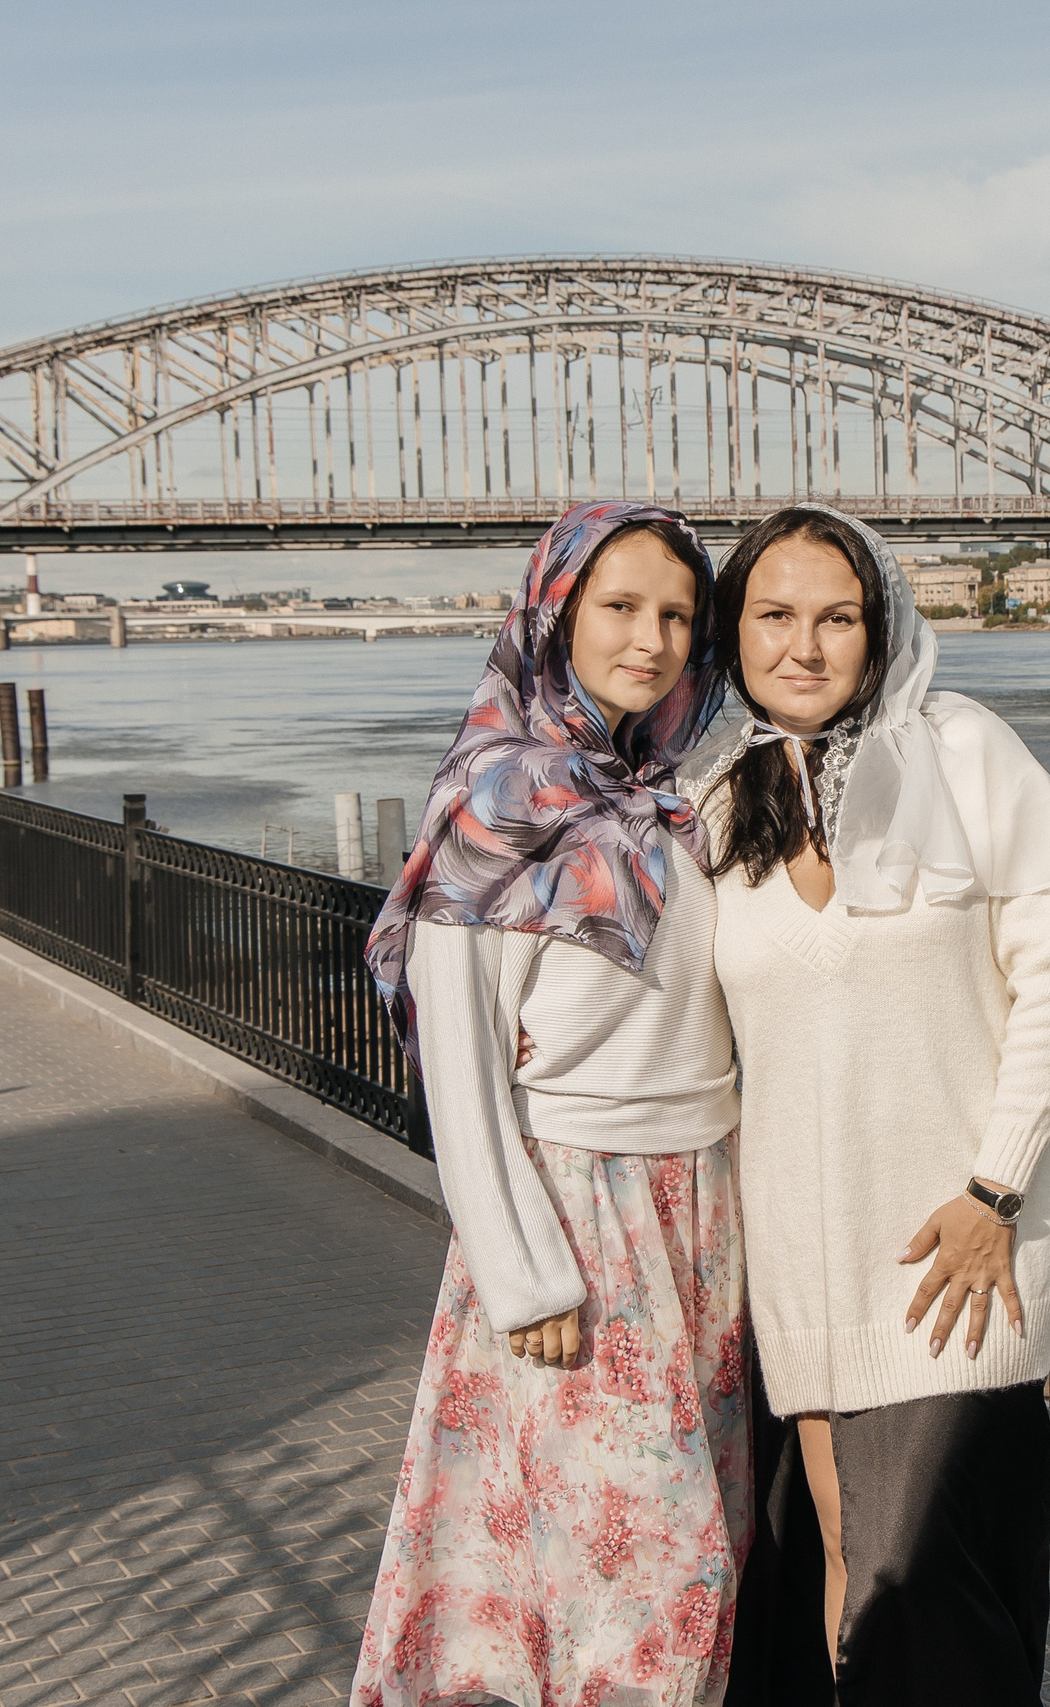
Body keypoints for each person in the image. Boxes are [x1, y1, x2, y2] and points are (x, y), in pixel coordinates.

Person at [351, 501, 750, 1707]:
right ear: (554, 613)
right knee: (666, 1572)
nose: (654, 638)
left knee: (591, 1564)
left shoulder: (673, 793)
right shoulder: (498, 799)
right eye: (620, 607)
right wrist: (524, 1276)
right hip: (579, 1212)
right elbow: (459, 1058)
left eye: (678, 613)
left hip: (708, 1213)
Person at [699, 505, 1050, 1704]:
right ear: (737, 632)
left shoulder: (967, 750)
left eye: (837, 618)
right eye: (773, 616)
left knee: (936, 1588)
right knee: (845, 1565)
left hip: (954, 1255)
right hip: (804, 1268)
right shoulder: (720, 795)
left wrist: (994, 1190)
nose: (804, 647)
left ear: (880, 630)